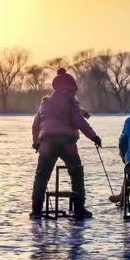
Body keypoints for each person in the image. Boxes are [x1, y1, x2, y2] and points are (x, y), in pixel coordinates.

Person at [31, 68, 102, 219]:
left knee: (41, 176)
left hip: (47, 142)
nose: (75, 93)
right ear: (70, 89)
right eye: (74, 90)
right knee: (76, 172)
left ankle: (36, 210)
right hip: (67, 143)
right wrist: (94, 137)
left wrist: (36, 142)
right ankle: (79, 208)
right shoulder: (71, 101)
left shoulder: (46, 102)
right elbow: (78, 121)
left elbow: (36, 124)